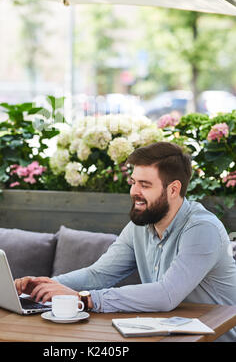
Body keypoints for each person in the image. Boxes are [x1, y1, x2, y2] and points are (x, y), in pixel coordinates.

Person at [15, 141, 236, 341]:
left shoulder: (201, 228)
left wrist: (85, 299)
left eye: (145, 185)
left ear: (173, 189)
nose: (134, 192)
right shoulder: (140, 226)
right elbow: (98, 275)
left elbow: (166, 294)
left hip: (214, 337)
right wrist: (47, 286)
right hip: (167, 334)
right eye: (133, 182)